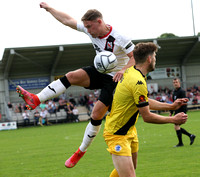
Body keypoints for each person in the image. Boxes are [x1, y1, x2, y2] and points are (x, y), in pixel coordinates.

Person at [16, 2, 135, 168]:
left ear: (99, 22)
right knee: (71, 76)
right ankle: (36, 99)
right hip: (99, 70)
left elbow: (135, 57)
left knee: (96, 115)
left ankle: (80, 151)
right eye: (85, 26)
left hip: (115, 79)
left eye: (89, 26)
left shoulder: (119, 37)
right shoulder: (90, 29)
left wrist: (123, 70)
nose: (87, 29)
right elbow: (67, 20)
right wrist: (49, 9)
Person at [103, 42, 188, 177]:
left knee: (129, 169)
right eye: (154, 56)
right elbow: (147, 116)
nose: (155, 59)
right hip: (117, 133)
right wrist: (173, 119)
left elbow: (143, 102)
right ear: (149, 59)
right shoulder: (138, 81)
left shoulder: (133, 72)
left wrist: (170, 106)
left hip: (129, 130)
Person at [170, 78, 196, 147]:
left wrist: (184, 113)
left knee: (176, 126)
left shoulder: (181, 91)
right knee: (176, 126)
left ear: (179, 83)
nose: (175, 83)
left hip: (180, 112)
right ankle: (190, 136)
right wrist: (171, 112)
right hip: (176, 112)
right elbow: (174, 103)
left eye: (176, 82)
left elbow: (184, 102)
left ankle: (181, 143)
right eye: (174, 82)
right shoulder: (174, 92)